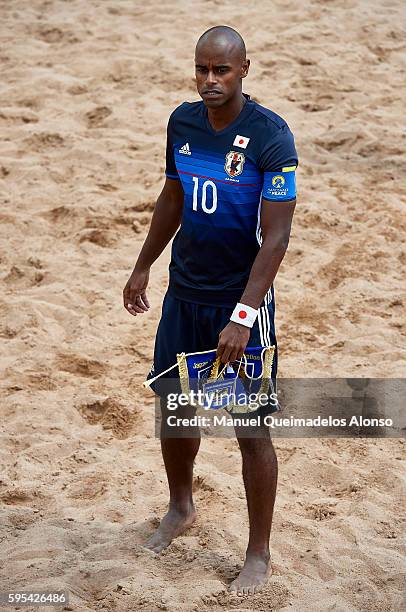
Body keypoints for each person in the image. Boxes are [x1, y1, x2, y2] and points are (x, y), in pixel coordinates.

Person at [123, 25, 298, 596]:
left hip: (239, 302)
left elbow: (275, 240)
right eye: (201, 69)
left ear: (245, 68)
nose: (208, 81)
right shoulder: (183, 121)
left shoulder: (271, 137)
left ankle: (258, 552)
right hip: (184, 292)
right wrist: (144, 263)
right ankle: (181, 506)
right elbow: (173, 195)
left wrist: (243, 318)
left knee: (249, 428)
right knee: (175, 407)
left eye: (220, 70)